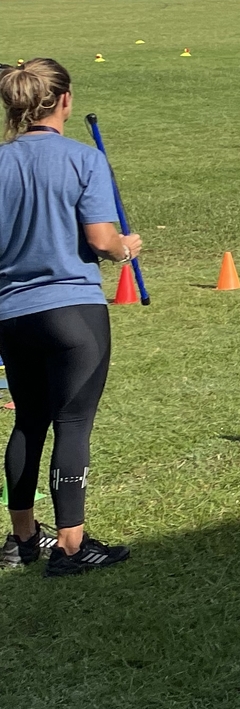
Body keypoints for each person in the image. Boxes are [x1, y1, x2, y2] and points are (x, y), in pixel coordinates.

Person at [0, 58, 138, 576]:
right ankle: (72, 546)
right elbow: (102, 239)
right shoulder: (83, 160)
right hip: (72, 312)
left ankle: (22, 538)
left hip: (11, 313)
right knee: (72, 423)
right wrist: (126, 250)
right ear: (64, 101)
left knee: (27, 423)